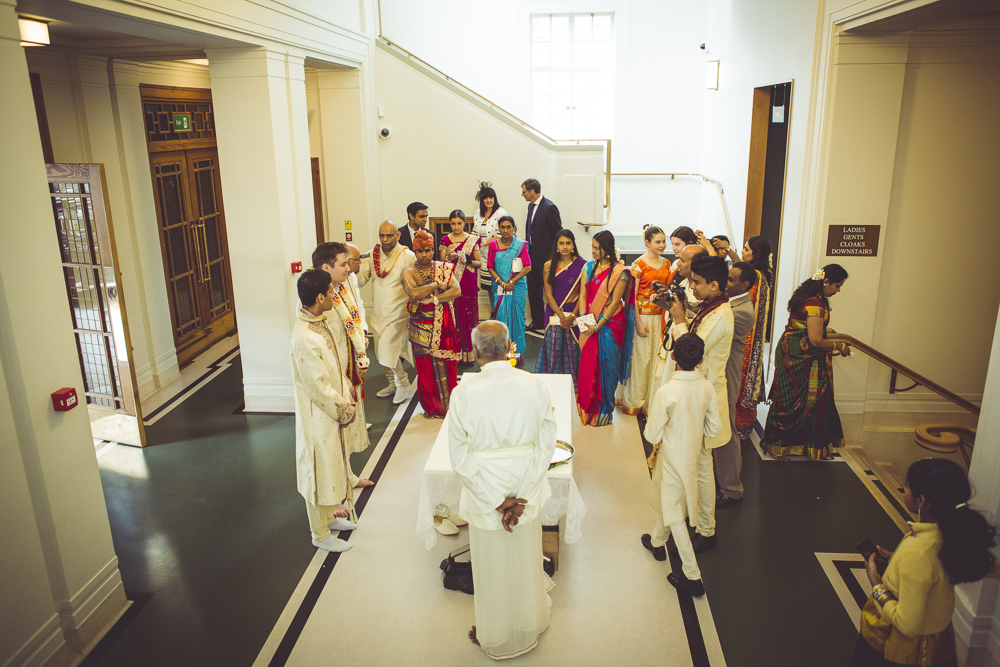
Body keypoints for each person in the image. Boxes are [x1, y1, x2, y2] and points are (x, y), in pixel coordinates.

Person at [448, 321, 557, 660]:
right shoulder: (532, 384)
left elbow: (459, 457)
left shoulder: (464, 391)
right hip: (526, 482)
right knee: (525, 557)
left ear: (476, 351)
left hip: (485, 490)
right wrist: (521, 496)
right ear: (509, 347)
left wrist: (497, 500)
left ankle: (493, 631)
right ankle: (531, 622)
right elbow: (547, 445)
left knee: (489, 565)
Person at [852, 458, 997, 667]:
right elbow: (931, 573)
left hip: (903, 652)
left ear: (921, 501)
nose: (904, 489)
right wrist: (895, 561)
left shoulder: (919, 552)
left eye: (907, 486)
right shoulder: (949, 534)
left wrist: (876, 584)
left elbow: (907, 625)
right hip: (937, 643)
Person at [659, 255, 733, 553]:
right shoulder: (711, 306)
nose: (692, 288)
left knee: (702, 467)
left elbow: (692, 351)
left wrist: (679, 321)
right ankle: (699, 523)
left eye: (697, 283)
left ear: (715, 285)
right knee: (699, 466)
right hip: (696, 397)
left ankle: (706, 529)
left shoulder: (721, 317)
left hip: (705, 401)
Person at [640, 333, 722, 596]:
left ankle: (693, 576)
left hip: (672, 458)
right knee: (672, 501)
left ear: (673, 356)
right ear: (700, 360)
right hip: (693, 457)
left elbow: (651, 435)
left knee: (675, 513)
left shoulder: (667, 392)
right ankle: (656, 541)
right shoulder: (707, 388)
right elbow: (714, 428)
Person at [290, 269, 361, 553]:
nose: (336, 295)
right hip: (318, 414)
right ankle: (319, 534)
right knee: (319, 470)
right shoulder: (304, 337)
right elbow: (318, 387)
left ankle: (330, 518)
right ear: (320, 297)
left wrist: (347, 386)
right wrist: (345, 407)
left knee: (332, 465)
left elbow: (332, 363)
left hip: (331, 409)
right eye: (331, 291)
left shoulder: (319, 321)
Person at [761, 264, 850, 460]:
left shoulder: (811, 298)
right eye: (837, 286)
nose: (838, 290)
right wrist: (840, 347)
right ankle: (777, 446)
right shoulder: (815, 305)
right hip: (799, 356)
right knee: (790, 402)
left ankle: (816, 447)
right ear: (826, 282)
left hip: (795, 351)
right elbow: (816, 340)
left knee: (818, 401)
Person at [312, 242, 375, 477]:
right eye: (343, 264)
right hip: (331, 377)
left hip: (347, 370)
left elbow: (355, 315)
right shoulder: (319, 299)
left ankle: (348, 476)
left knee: (345, 432)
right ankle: (335, 493)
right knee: (331, 433)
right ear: (326, 267)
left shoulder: (340, 288)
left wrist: (360, 336)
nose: (348, 269)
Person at [712, 235, 774, 440]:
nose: (743, 252)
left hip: (745, 335)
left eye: (746, 250)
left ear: (755, 255)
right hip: (751, 334)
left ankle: (739, 423)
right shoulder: (761, 274)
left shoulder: (754, 276)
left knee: (739, 375)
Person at [402, 229, 463, 418]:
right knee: (426, 370)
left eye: (428, 250)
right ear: (415, 252)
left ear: (433, 250)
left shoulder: (443, 267)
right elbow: (413, 294)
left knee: (448, 366)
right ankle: (433, 407)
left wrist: (434, 300)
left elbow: (456, 291)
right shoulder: (408, 272)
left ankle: (449, 405)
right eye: (420, 251)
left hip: (443, 325)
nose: (424, 254)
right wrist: (436, 285)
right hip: (420, 327)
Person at [577, 230, 634, 427]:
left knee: (608, 369)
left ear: (607, 250)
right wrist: (586, 322)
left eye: (596, 248)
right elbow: (583, 296)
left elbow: (614, 302)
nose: (592, 251)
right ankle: (587, 410)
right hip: (589, 323)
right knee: (587, 368)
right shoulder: (588, 267)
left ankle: (603, 412)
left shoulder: (621, 272)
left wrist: (598, 325)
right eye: (592, 247)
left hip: (610, 326)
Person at [357, 220, 415, 404]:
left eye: (389, 235)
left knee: (387, 348)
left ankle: (402, 382)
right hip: (378, 313)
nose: (385, 239)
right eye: (382, 235)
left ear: (398, 235)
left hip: (398, 311)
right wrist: (349, 268)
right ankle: (392, 383)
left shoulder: (407, 256)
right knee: (379, 352)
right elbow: (360, 280)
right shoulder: (371, 255)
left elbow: (415, 282)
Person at [715, 262, 758, 509]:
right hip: (717, 376)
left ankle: (732, 489)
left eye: (731, 280)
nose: (726, 283)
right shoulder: (729, 301)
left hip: (726, 378)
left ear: (745, 285)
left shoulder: (743, 311)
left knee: (727, 435)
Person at [623, 226, 673, 415]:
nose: (662, 245)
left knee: (657, 361)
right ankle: (636, 400)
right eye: (657, 241)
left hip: (662, 316)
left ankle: (652, 403)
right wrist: (637, 322)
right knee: (642, 359)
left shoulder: (667, 263)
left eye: (663, 241)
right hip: (643, 316)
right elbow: (632, 296)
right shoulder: (638, 265)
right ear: (647, 243)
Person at [534, 229, 587, 387]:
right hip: (554, 314)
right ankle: (553, 385)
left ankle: (575, 386)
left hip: (573, 314)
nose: (565, 247)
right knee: (554, 350)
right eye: (561, 243)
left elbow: (583, 294)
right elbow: (548, 295)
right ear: (556, 246)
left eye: (568, 243)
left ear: (573, 244)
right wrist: (562, 316)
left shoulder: (582, 265)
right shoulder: (549, 265)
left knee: (573, 350)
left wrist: (572, 316)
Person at [487, 216, 531, 364]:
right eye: (503, 227)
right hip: (500, 287)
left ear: (514, 228)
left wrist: (511, 281)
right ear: (498, 229)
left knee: (518, 319)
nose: (506, 230)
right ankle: (501, 354)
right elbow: (490, 267)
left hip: (517, 286)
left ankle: (516, 353)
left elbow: (527, 267)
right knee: (501, 319)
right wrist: (501, 282)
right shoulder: (493, 245)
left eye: (509, 227)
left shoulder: (521, 245)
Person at [440, 209, 482, 364]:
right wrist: (450, 259)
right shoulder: (445, 240)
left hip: (469, 280)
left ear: (464, 223)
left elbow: (479, 263)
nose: (456, 226)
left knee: (469, 314)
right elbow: (441, 263)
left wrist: (468, 261)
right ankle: (454, 352)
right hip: (453, 280)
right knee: (454, 314)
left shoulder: (473, 239)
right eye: (453, 223)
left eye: (459, 223)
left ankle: (469, 354)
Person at [521, 178, 562, 330]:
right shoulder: (531, 207)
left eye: (524, 191)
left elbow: (558, 232)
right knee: (534, 289)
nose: (522, 194)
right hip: (531, 256)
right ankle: (537, 321)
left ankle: (555, 320)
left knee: (550, 290)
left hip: (546, 257)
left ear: (532, 192)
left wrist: (554, 256)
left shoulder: (549, 207)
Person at [471, 182, 508, 310]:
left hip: (496, 255)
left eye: (491, 197)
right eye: (486, 198)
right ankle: (493, 312)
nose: (488, 200)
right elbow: (475, 231)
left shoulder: (501, 213)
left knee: (497, 285)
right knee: (487, 286)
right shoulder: (478, 213)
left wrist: (484, 242)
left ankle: (501, 312)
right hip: (482, 256)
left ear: (495, 198)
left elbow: (501, 234)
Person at [343, 243, 368, 336]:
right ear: (348, 261)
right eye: (358, 259)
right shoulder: (337, 280)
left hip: (358, 329)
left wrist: (363, 328)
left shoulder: (352, 276)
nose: (360, 262)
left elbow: (358, 304)